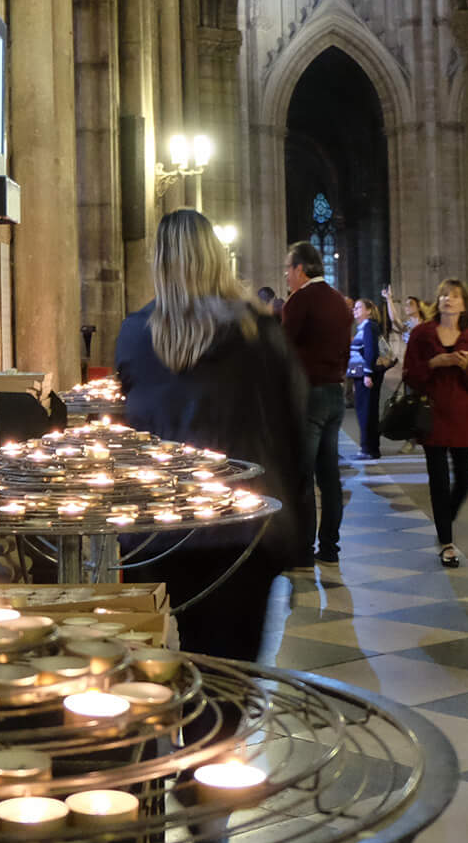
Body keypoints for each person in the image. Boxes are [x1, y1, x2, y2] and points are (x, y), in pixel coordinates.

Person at [114, 210, 307, 658]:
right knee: (229, 679)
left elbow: (133, 432)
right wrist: (295, 538)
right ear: (218, 258)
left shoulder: (135, 333)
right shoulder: (257, 329)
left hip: (156, 534)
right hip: (242, 530)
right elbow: (292, 431)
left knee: (162, 676)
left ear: (158, 262)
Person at [402, 278, 468, 567]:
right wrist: (434, 364)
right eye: (443, 295)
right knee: (438, 481)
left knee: (465, 478)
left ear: (464, 303)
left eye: (454, 296)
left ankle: (446, 518)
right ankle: (446, 542)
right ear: (437, 302)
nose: (448, 300)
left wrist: (465, 367)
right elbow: (409, 374)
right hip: (432, 416)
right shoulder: (421, 334)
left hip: (462, 416)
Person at [278, 240, 354, 565]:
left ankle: (303, 549)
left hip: (307, 394)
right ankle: (330, 547)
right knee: (329, 475)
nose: (286, 276)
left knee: (301, 473)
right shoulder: (340, 302)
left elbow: (282, 349)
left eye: (287, 269)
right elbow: (346, 350)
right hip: (334, 392)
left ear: (300, 269)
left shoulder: (300, 301)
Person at [347, 298, 386, 458]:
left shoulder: (369, 326)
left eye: (358, 308)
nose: (354, 310)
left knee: (366, 412)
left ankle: (368, 449)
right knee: (366, 411)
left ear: (369, 311)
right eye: (354, 308)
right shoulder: (363, 327)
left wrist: (368, 374)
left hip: (367, 375)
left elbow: (371, 352)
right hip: (362, 375)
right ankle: (371, 448)